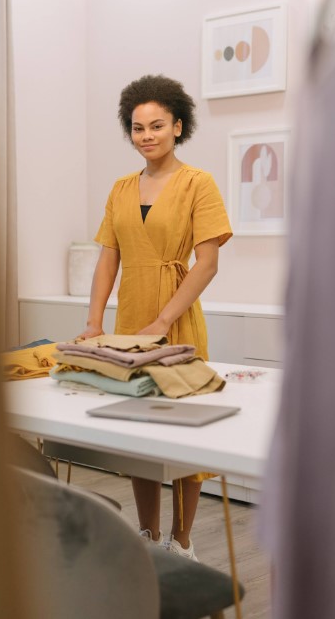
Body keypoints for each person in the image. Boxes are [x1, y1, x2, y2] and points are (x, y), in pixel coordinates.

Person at [79, 74, 232, 561]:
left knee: (185, 428)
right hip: (129, 321)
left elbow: (206, 263)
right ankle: (146, 536)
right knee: (138, 430)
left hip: (177, 317)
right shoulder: (121, 188)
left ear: (178, 126)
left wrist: (164, 321)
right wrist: (94, 320)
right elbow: (108, 258)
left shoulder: (197, 184)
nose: (146, 136)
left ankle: (182, 540)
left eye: (157, 126)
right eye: (138, 128)